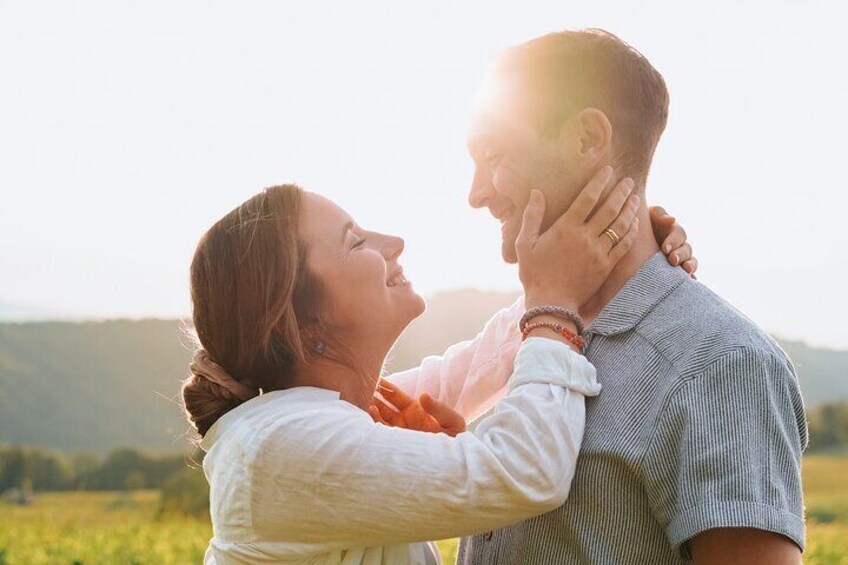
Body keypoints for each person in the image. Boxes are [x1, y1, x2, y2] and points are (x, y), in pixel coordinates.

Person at [424, 29, 806, 564]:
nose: (476, 192)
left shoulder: (721, 363)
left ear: (587, 139)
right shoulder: (526, 335)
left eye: (494, 155)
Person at [181, 174, 691, 564]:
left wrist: (613, 253)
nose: (393, 242)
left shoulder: (324, 415)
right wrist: (558, 300)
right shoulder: (282, 443)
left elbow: (472, 370)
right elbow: (526, 470)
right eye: (356, 241)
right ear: (298, 315)